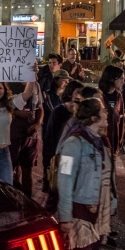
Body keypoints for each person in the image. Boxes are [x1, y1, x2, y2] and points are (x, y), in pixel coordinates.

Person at [56, 97, 115, 250]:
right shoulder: (73, 143)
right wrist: (65, 217)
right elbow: (64, 180)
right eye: (103, 111)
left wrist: (112, 201)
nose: (107, 114)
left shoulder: (102, 141)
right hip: (78, 208)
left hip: (98, 209)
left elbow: (109, 175)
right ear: (93, 117)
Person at [42, 80, 83, 210]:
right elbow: (49, 139)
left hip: (75, 158)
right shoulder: (59, 112)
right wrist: (48, 164)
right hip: (61, 158)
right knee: (57, 192)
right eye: (78, 92)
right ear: (70, 93)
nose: (80, 96)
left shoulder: (82, 114)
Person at [9, 79, 44, 198]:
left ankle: (28, 199)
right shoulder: (9, 83)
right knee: (10, 167)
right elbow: (0, 106)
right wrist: (17, 113)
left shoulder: (36, 85)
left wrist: (37, 124)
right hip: (13, 133)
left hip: (30, 134)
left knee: (28, 168)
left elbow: (40, 108)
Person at [98, 65, 125, 155]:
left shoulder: (118, 96)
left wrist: (120, 141)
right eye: (121, 78)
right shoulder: (98, 95)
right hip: (100, 141)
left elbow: (121, 120)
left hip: (114, 140)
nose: (123, 81)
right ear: (111, 78)